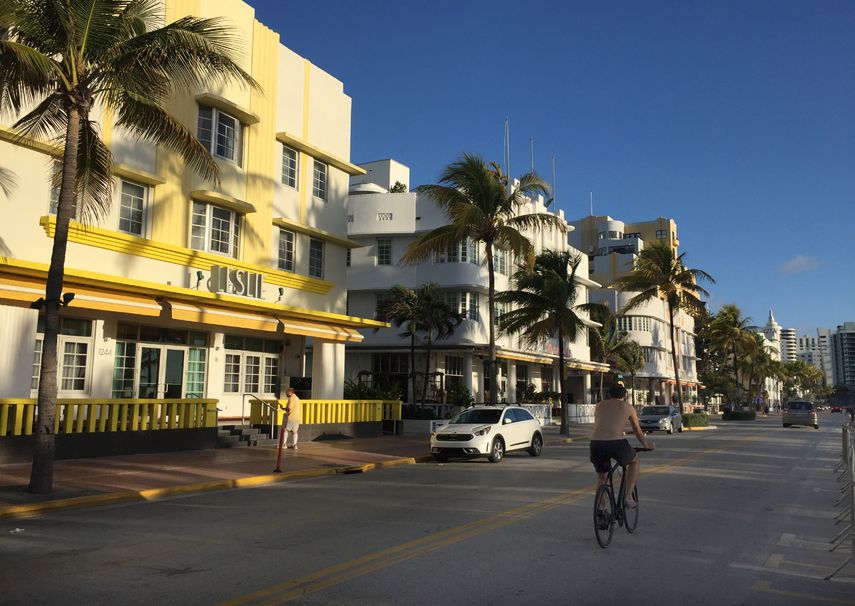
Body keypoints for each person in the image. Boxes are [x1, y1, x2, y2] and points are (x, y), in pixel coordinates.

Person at [589, 383, 654, 507]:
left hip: (596, 444)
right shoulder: (628, 407)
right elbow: (637, 431)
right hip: (616, 443)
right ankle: (628, 497)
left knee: (602, 478)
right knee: (635, 461)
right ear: (624, 396)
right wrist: (646, 444)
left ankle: (600, 508)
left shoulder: (599, 405)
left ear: (609, 394)